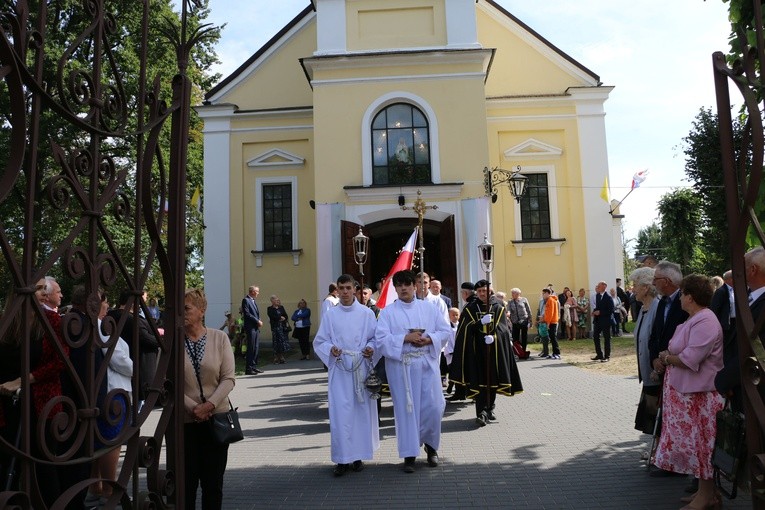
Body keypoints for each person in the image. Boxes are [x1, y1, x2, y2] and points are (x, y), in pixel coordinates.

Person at [653, 275, 724, 510]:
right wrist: (665, 358)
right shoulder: (693, 319)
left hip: (700, 396)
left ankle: (706, 495)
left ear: (690, 297)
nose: (680, 298)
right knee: (698, 446)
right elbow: (677, 349)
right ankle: (707, 494)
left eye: (682, 293)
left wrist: (667, 358)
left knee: (703, 446)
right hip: (688, 394)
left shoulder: (705, 320)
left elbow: (691, 358)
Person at [376, 270, 452, 473]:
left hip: (426, 365)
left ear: (415, 287)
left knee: (434, 407)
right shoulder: (388, 313)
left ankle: (431, 447)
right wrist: (404, 338)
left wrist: (429, 340)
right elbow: (381, 341)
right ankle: (409, 455)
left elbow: (445, 331)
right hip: (402, 369)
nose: (403, 288)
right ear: (395, 289)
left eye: (407, 285)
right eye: (399, 285)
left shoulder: (429, 308)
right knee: (406, 411)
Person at [0, 279, 67, 507]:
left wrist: (22, 380)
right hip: (8, 406)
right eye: (37, 288)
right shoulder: (7, 322)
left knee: (43, 469)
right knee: (7, 466)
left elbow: (60, 361)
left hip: (43, 406)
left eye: (43, 288)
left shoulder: (51, 321)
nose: (42, 292)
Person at [313, 274, 379, 476]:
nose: (344, 292)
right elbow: (320, 341)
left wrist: (370, 348)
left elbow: (376, 339)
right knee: (341, 413)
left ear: (355, 289)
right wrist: (330, 349)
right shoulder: (331, 315)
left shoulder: (367, 314)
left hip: (360, 367)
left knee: (360, 413)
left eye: (348, 288)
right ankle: (342, 459)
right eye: (341, 288)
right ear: (337, 290)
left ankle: (358, 456)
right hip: (340, 368)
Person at [183, 288, 236, 510]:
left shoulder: (219, 338)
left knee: (213, 484)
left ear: (201, 310)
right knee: (186, 483)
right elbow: (168, 382)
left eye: (186, 308)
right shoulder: (173, 342)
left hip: (217, 421)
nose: (181, 312)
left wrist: (209, 405)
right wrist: (194, 408)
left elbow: (229, 379)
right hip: (186, 422)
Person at [451, 280, 522, 427]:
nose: (482, 293)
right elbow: (465, 330)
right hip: (477, 351)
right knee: (480, 381)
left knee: (492, 381)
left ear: (489, 291)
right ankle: (481, 412)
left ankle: (490, 409)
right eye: (480, 291)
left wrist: (494, 336)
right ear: (476, 292)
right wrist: (479, 324)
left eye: (485, 290)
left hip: (494, 351)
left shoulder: (498, 307)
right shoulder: (470, 308)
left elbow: (503, 329)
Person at [87, 289, 133, 507]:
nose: (108, 307)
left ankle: (96, 487)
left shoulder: (95, 325)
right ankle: (108, 489)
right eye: (105, 303)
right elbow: (116, 358)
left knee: (100, 442)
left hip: (110, 391)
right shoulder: (100, 327)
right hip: (113, 392)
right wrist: (138, 370)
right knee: (111, 442)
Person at [107, 289, 160, 403]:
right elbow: (144, 338)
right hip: (137, 369)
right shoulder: (128, 318)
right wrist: (161, 341)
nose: (143, 305)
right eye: (142, 301)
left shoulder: (117, 316)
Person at [628, 267, 660, 434]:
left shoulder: (658, 307)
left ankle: (656, 452)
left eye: (635, 285)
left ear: (646, 287)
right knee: (650, 416)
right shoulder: (642, 309)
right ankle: (655, 450)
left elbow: (659, 341)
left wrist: (656, 367)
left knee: (656, 415)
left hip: (655, 373)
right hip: (647, 372)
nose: (633, 289)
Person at [242, 285, 263, 375]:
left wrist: (259, 320)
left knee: (256, 347)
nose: (258, 293)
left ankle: (254, 366)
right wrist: (257, 320)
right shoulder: (246, 300)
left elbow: (256, 313)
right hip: (250, 327)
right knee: (251, 347)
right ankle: (249, 368)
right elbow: (247, 314)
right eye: (257, 291)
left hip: (255, 327)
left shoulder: (253, 301)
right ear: (253, 292)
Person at [591, 281, 614, 362]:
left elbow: (611, 310)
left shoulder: (608, 297)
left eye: (599, 286)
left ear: (604, 286)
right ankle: (599, 354)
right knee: (595, 336)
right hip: (598, 320)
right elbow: (598, 307)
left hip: (606, 320)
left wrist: (600, 312)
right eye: (597, 286)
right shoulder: (597, 296)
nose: (598, 287)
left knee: (606, 338)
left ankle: (607, 356)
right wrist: (594, 311)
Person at [538, 288, 561, 359]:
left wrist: (547, 323)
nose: (542, 295)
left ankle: (556, 353)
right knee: (552, 337)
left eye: (543, 293)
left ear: (548, 293)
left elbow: (550, 313)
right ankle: (554, 353)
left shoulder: (550, 300)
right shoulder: (550, 300)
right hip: (551, 321)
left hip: (552, 322)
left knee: (553, 338)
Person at [268, 295, 291, 364]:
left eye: (278, 300)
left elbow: (286, 316)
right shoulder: (270, 308)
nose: (278, 301)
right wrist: (280, 317)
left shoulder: (281, 307)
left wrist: (284, 318)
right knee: (276, 343)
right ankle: (276, 357)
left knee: (282, 342)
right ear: (272, 301)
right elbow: (272, 316)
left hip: (282, 328)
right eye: (276, 300)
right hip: (275, 328)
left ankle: (281, 357)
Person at [507, 288, 532, 353]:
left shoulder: (524, 299)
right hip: (515, 321)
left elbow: (528, 310)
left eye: (513, 293)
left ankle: (523, 350)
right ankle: (517, 351)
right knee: (515, 337)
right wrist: (508, 313)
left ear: (518, 294)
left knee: (524, 336)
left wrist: (530, 320)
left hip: (524, 320)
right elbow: (508, 309)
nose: (512, 294)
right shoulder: (510, 301)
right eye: (512, 293)